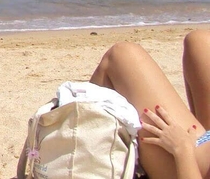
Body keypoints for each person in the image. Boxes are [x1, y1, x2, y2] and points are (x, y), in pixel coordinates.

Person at [90, 30, 210, 179]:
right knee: (199, 41)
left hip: (191, 163)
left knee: (121, 56)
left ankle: (79, 153)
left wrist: (183, 150)